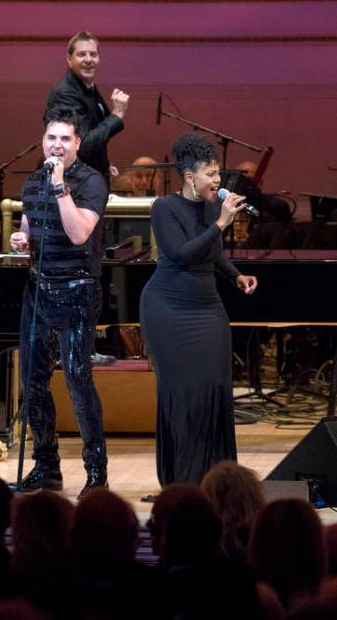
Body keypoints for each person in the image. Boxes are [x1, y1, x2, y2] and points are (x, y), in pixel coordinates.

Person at [139, 133, 257, 486]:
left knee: (214, 389)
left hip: (208, 309)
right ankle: (184, 482)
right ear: (190, 176)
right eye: (210, 173)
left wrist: (236, 276)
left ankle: (217, 480)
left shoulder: (209, 207)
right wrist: (221, 223)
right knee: (184, 394)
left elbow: (213, 253)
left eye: (218, 172)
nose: (218, 180)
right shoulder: (164, 207)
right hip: (168, 310)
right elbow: (180, 253)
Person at [9, 106, 109, 500]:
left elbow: (80, 232)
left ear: (77, 144)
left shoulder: (91, 182)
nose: (57, 144)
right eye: (51, 137)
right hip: (39, 290)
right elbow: (28, 230)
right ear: (43, 141)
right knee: (33, 381)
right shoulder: (32, 182)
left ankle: (96, 471)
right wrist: (22, 240)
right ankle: (46, 467)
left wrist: (60, 186)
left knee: (76, 379)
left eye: (65, 138)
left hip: (78, 292)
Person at [45, 31, 129, 184]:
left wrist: (103, 164)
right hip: (77, 185)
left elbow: (97, 131)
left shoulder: (87, 87)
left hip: (90, 179)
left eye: (93, 54)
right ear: (69, 60)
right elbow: (81, 146)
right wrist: (117, 114)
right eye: (82, 54)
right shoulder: (66, 92)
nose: (89, 59)